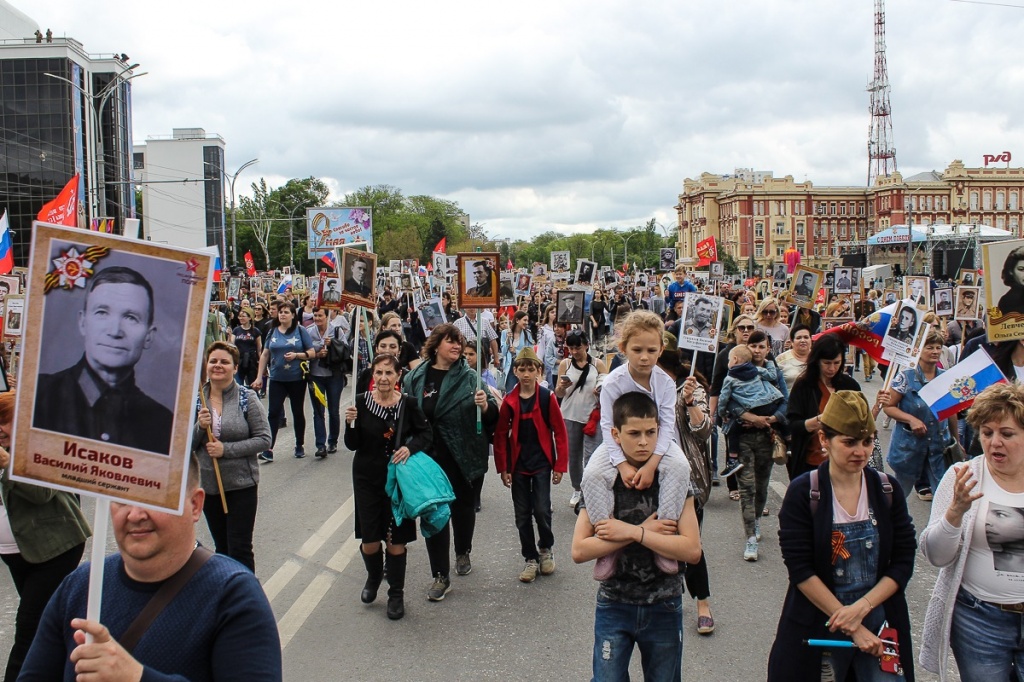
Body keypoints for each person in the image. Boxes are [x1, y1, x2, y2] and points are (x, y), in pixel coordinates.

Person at [20, 455, 281, 680]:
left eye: (153, 497)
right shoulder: (80, 587)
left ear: (194, 505)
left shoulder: (233, 596)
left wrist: (135, 677)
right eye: (122, 497)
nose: (135, 515)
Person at [767, 391, 917, 681]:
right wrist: (849, 622)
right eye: (849, 442)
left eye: (867, 442)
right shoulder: (803, 492)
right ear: (824, 440)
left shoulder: (887, 490)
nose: (860, 452)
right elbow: (800, 569)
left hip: (879, 619)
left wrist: (862, 608)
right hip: (820, 619)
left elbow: (903, 560)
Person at [571, 392, 702, 682]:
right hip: (614, 603)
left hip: (664, 603)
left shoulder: (674, 479)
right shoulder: (602, 479)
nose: (644, 441)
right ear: (616, 434)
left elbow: (692, 550)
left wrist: (632, 531)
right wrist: (643, 533)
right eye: (634, 433)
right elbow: (579, 550)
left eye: (651, 432)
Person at [920, 383, 1024, 679]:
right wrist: (955, 513)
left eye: (1007, 434)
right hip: (980, 622)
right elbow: (935, 556)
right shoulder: (962, 477)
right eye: (987, 432)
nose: (994, 443)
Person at [580, 311, 690, 576]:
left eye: (652, 350)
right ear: (623, 348)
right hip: (617, 442)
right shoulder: (613, 383)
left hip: (657, 439)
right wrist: (621, 466)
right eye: (637, 349)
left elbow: (666, 425)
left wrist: (652, 463)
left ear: (662, 349)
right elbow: (608, 427)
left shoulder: (664, 382)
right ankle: (607, 543)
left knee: (680, 468)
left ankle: (664, 537)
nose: (644, 357)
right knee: (593, 474)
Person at [0, 390, 91, 682]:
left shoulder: (42, 444)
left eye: (4, 422)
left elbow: (42, 493)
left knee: (28, 626)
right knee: (49, 621)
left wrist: (6, 462)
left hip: (55, 547)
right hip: (18, 552)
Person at [33, 266, 173, 455]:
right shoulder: (37, 397)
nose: (115, 331)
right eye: (102, 313)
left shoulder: (164, 424)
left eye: (131, 317)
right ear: (83, 322)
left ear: (148, 335)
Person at [404, 324, 497, 600]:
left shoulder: (471, 379)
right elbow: (407, 415)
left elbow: (493, 417)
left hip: (462, 453)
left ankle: (463, 550)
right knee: (433, 513)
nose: (457, 347)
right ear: (436, 345)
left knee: (463, 507)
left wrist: (484, 405)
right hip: (429, 458)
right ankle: (440, 575)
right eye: (451, 341)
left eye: (459, 343)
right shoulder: (415, 378)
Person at [344, 354, 433, 620]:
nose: (383, 378)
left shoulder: (408, 404)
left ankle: (396, 593)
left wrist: (409, 447)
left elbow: (425, 434)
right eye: (379, 373)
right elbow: (352, 444)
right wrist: (350, 423)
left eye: (389, 373)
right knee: (370, 541)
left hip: (398, 483)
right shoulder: (359, 402)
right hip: (367, 479)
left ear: (398, 377)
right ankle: (373, 577)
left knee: (396, 542)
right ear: (373, 375)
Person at [193, 341, 272, 572]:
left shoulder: (247, 398)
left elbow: (264, 440)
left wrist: (225, 450)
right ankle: (228, 597)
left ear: (235, 368)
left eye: (225, 362)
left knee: (239, 548)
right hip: (209, 487)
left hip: (241, 486)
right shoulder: (196, 399)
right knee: (223, 549)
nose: (218, 366)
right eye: (214, 361)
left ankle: (248, 600)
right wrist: (200, 426)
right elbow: (183, 447)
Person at [493, 348, 568, 582]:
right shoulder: (510, 402)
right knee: (522, 514)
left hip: (542, 463)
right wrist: (503, 467)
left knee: (542, 510)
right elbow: (501, 435)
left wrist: (560, 465)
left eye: (531, 369)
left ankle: (546, 548)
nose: (526, 374)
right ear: (515, 371)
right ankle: (530, 558)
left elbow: (560, 432)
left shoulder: (547, 398)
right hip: (519, 466)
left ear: (539, 371)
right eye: (522, 369)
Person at [884, 330, 959, 496]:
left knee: (943, 495)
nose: (935, 351)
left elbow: (951, 412)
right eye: (929, 347)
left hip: (939, 446)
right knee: (900, 495)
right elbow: (889, 406)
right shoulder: (905, 377)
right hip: (909, 448)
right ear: (918, 350)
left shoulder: (946, 378)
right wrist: (911, 419)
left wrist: (957, 441)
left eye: (938, 347)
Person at [787, 335, 862, 480]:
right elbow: (793, 425)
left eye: (836, 363)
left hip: (844, 462)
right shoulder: (804, 386)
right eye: (827, 363)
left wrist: (877, 406)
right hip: (811, 462)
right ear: (816, 361)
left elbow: (862, 422)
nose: (832, 368)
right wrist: (818, 421)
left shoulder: (850, 385)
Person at [252, 301, 315, 461]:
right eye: (281, 312)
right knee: (273, 412)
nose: (282, 315)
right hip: (277, 378)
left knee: (297, 411)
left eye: (286, 312)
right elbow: (265, 354)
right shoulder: (272, 331)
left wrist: (297, 355)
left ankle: (299, 444)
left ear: (293, 315)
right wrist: (260, 376)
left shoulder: (300, 331)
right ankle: (268, 448)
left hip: (296, 378)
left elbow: (312, 352)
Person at [556, 330, 608, 508]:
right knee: (574, 455)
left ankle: (591, 489)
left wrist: (600, 390)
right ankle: (577, 489)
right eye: (570, 348)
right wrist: (562, 386)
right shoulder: (565, 364)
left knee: (592, 456)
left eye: (577, 347)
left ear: (586, 345)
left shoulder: (598, 364)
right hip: (570, 415)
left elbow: (607, 389)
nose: (574, 351)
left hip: (592, 416)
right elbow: (558, 393)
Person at [306, 307, 348, 458]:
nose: (317, 318)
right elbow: (305, 351)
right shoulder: (309, 332)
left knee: (333, 410)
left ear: (327, 316)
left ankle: (333, 440)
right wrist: (317, 353)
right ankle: (320, 445)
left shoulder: (336, 331)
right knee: (318, 412)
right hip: (316, 376)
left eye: (320, 316)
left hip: (333, 376)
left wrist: (332, 344)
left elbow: (345, 349)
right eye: (315, 315)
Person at [499, 311, 534, 392]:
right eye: (524, 320)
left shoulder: (528, 334)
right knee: (510, 392)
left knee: (523, 391)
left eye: (527, 321)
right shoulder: (505, 333)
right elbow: (503, 352)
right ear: (517, 320)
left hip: (523, 366)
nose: (526, 323)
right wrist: (507, 340)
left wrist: (516, 351)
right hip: (511, 367)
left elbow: (530, 352)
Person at [775, 324, 812, 393]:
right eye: (798, 338)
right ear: (792, 341)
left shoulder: (818, 357)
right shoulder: (781, 359)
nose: (803, 340)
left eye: (806, 337)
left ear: (811, 339)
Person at [232, 307, 263, 387]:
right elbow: (231, 345)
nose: (241, 318)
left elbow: (259, 349)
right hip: (239, 360)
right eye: (240, 316)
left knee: (252, 385)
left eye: (243, 316)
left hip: (251, 361)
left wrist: (261, 362)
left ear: (249, 318)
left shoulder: (255, 331)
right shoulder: (236, 330)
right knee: (238, 384)